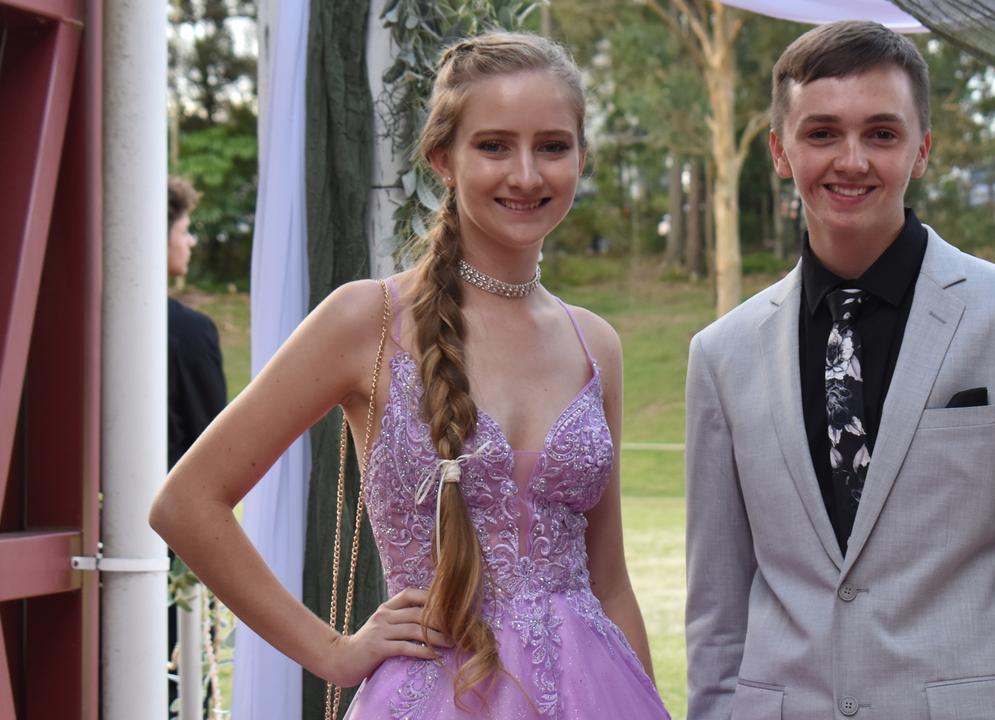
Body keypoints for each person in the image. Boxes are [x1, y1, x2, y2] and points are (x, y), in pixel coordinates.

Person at [152, 32, 669, 719]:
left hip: (594, 694)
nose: (525, 174)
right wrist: (332, 651)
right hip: (434, 697)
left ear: (580, 156)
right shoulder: (364, 321)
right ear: (442, 159)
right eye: (493, 146)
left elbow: (610, 584)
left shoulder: (594, 343)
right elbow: (186, 503)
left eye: (552, 145)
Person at [684, 21, 995, 720]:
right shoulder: (721, 353)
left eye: (881, 134)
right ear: (778, 150)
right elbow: (716, 616)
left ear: (922, 150)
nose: (851, 160)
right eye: (822, 133)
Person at [165, 176, 227, 713]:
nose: (189, 243)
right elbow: (213, 451)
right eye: (183, 231)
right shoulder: (187, 334)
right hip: (169, 562)